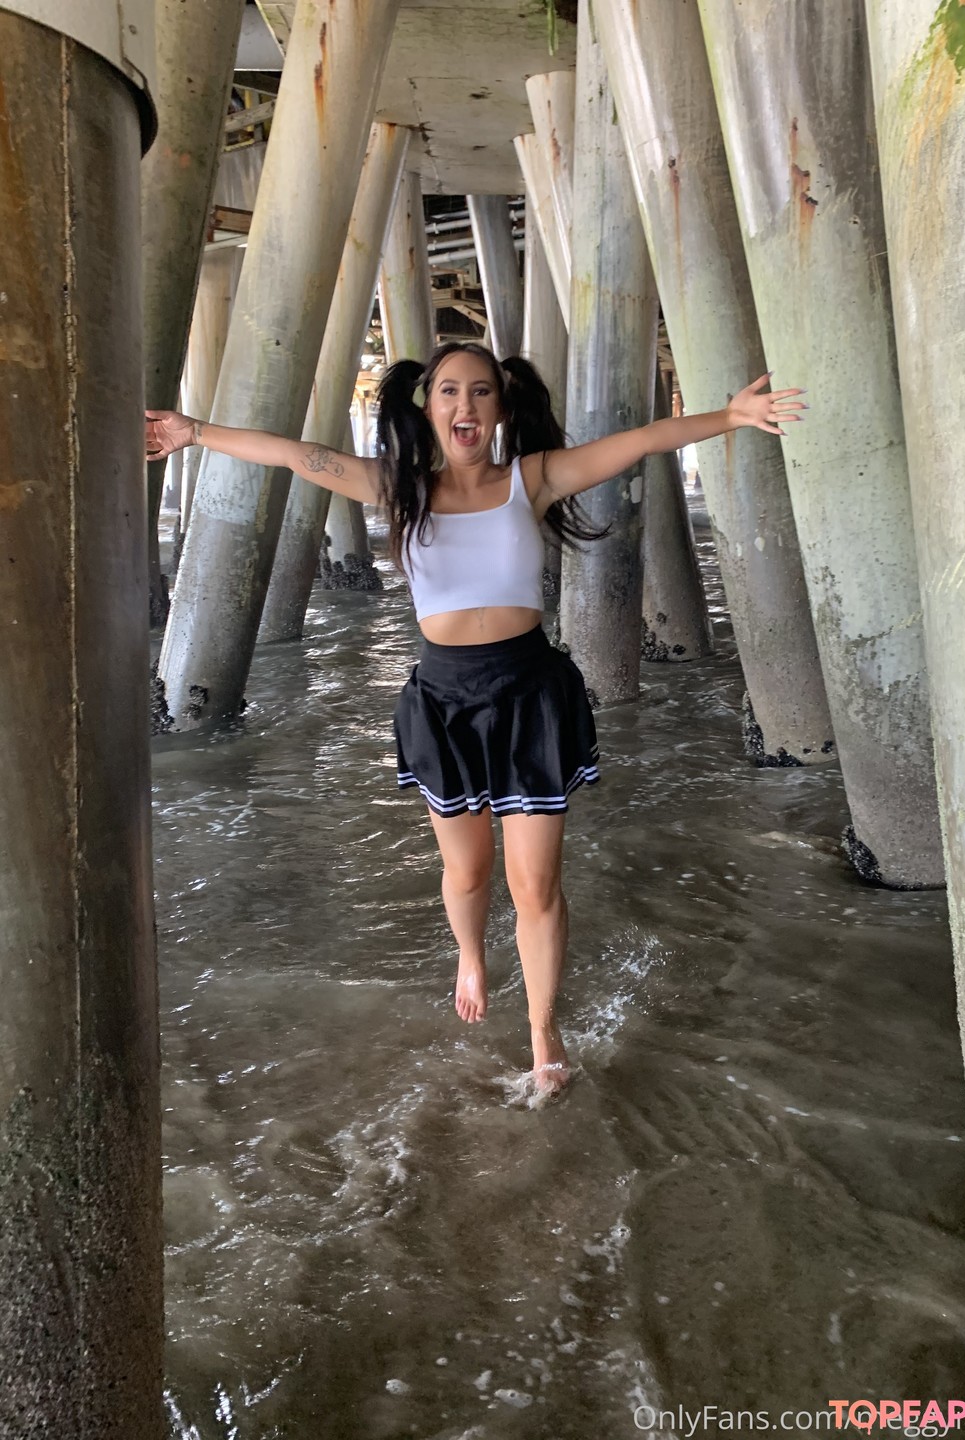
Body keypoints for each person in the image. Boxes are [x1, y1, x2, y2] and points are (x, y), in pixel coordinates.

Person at [146, 343, 806, 1094]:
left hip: (530, 695)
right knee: (467, 872)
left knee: (536, 886)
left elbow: (641, 441)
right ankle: (469, 954)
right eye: (450, 391)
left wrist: (730, 417)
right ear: (429, 406)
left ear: (501, 406)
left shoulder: (533, 477)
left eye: (481, 392)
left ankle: (543, 1031)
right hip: (444, 699)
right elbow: (299, 456)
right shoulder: (401, 491)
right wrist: (195, 432)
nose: (466, 405)